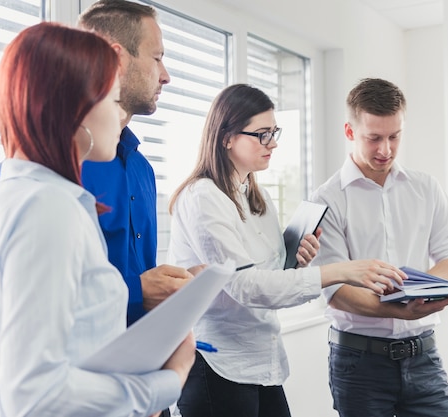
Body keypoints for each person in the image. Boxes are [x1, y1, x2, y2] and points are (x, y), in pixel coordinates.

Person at [0, 22, 194, 417]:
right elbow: (35, 394)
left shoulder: (21, 201)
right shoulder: (47, 208)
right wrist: (166, 382)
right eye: (112, 99)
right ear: (76, 107)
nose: (118, 117)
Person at [167, 83, 408, 417]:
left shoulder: (258, 196)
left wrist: (294, 259)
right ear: (226, 138)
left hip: (262, 362)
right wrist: (339, 271)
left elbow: (272, 280)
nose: (274, 143)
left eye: (274, 131)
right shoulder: (202, 198)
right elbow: (245, 287)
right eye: (262, 134)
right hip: (218, 364)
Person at [310, 78, 448, 417]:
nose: (386, 150)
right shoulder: (327, 199)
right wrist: (399, 309)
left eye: (394, 137)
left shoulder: (426, 188)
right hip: (359, 364)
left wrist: (419, 290)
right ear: (350, 132)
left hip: (424, 357)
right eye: (374, 138)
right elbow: (335, 289)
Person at [79, 0, 197, 334]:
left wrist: (176, 284)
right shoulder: (53, 166)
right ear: (117, 58)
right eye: (157, 57)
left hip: (140, 363)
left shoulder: (141, 168)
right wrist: (139, 291)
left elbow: (141, 280)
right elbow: (42, 300)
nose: (166, 76)